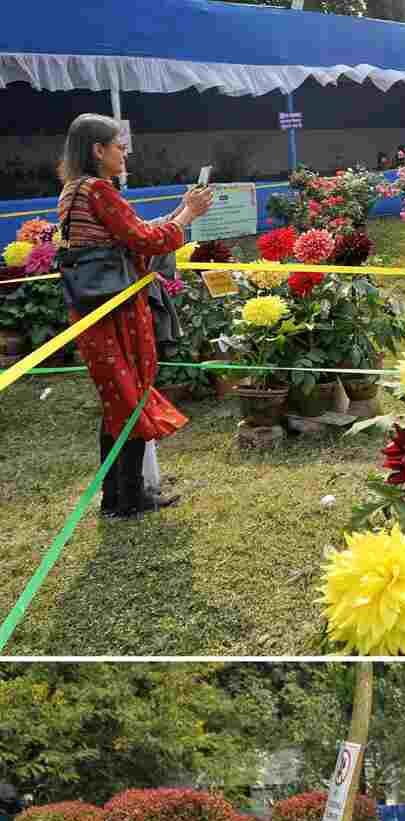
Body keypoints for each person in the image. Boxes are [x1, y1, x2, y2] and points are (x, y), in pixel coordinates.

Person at [57, 114, 214, 518]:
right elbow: (145, 239)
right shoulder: (98, 192)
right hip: (117, 313)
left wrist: (176, 215)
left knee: (118, 401)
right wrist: (187, 215)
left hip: (93, 310)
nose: (125, 153)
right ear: (98, 150)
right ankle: (127, 497)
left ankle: (121, 495)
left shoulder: (71, 192)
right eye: (119, 146)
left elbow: (131, 234)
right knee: (129, 397)